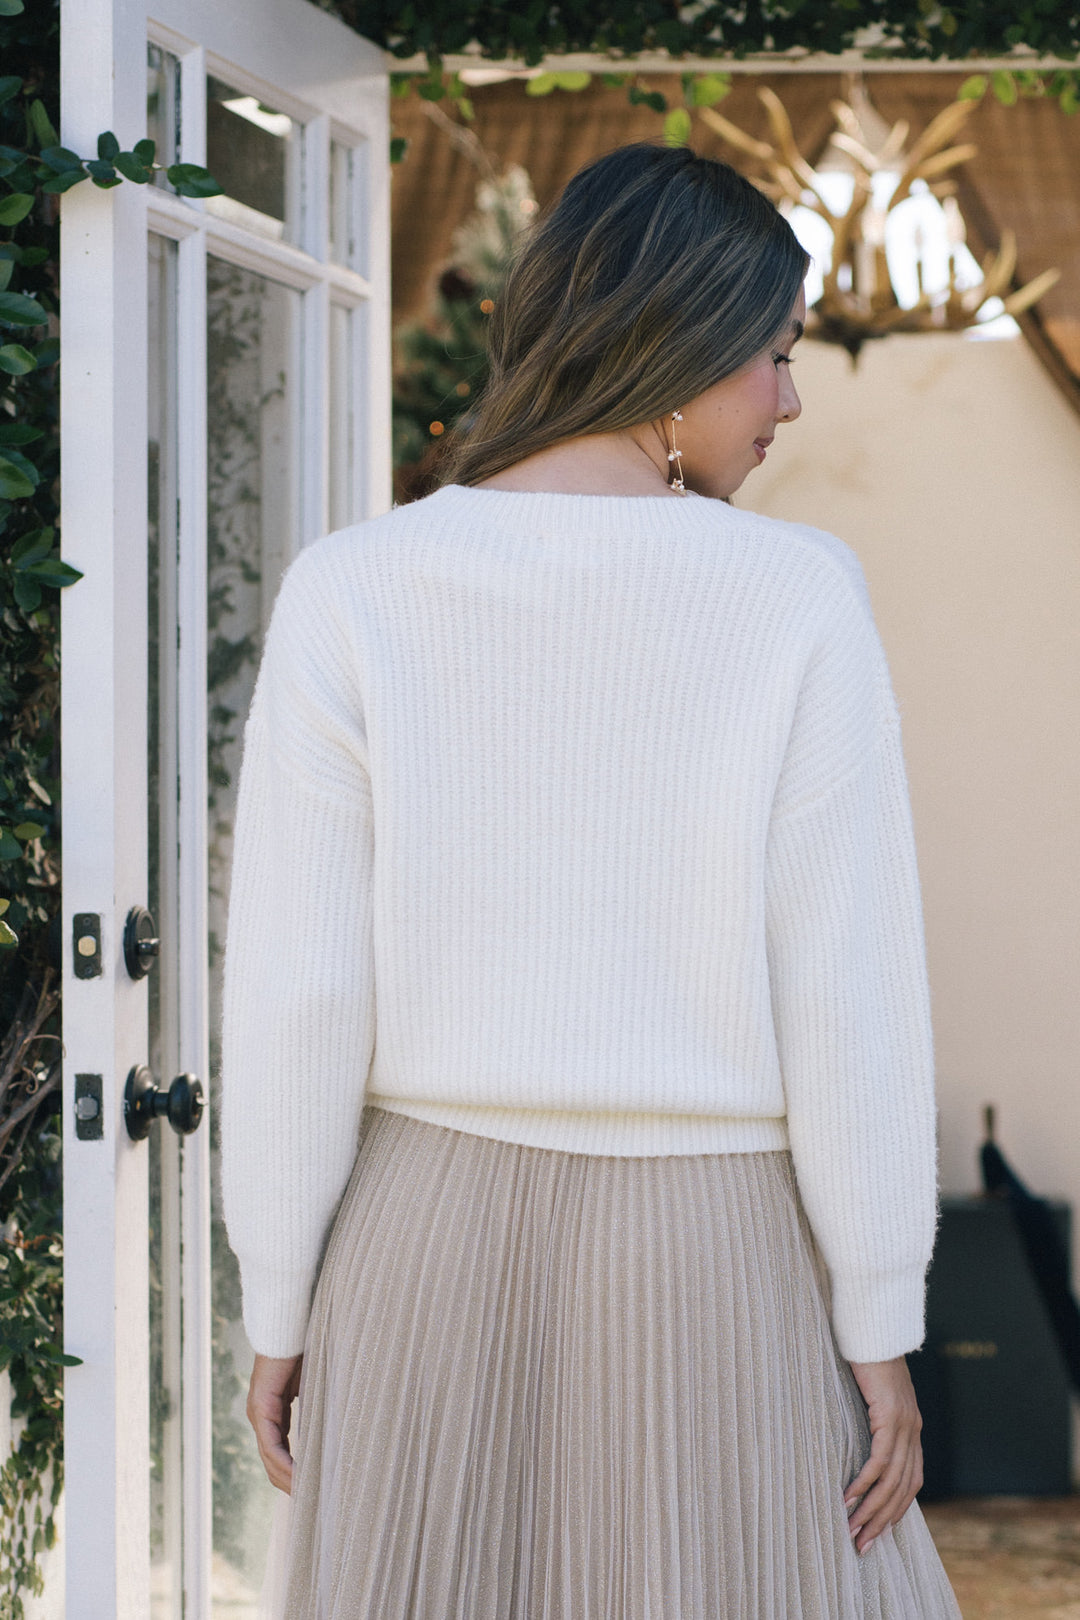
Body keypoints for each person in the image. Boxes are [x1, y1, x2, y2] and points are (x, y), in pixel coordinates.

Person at [221, 142, 963, 1618]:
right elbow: (849, 988)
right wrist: (879, 1314)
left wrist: (280, 1301)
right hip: (712, 1250)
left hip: (420, 1239)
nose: (790, 401)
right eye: (774, 355)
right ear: (677, 347)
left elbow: (301, 994)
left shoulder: (355, 589)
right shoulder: (797, 596)